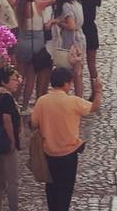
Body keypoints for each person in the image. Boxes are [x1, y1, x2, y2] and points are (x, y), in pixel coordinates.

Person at [31, 66, 103, 211]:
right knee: (65, 190)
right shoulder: (73, 102)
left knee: (51, 188)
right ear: (66, 83)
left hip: (49, 153)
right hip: (68, 154)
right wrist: (98, 90)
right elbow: (94, 107)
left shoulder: (42, 101)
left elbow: (33, 124)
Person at [12, 0, 55, 110]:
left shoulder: (18, 6)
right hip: (36, 44)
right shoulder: (38, 5)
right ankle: (25, 106)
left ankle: (14, 103)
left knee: (20, 75)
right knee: (31, 76)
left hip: (22, 41)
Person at [0, 66, 22, 211]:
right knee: (12, 182)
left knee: (0, 183)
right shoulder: (6, 98)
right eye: (14, 79)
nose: (17, 82)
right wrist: (12, 141)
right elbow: (7, 120)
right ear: (3, 81)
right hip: (6, 144)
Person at [50, 0, 86, 97]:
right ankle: (78, 98)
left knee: (71, 72)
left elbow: (71, 25)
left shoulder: (66, 6)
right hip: (80, 37)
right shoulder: (77, 3)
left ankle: (69, 98)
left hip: (72, 41)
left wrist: (59, 23)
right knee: (78, 72)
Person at [77, 0, 101, 92]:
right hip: (91, 30)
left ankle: (78, 90)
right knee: (92, 65)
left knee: (77, 65)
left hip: (79, 30)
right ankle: (95, 91)